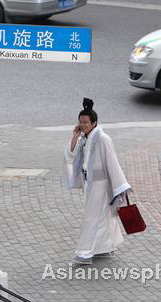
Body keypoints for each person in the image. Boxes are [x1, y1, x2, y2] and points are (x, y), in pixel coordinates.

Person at [61, 98, 132, 265]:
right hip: (90, 183)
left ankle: (85, 252)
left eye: (86, 122)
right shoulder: (84, 138)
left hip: (101, 184)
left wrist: (120, 186)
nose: (83, 125)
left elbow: (112, 162)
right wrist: (75, 136)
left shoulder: (103, 138)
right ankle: (103, 247)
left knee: (91, 217)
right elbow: (71, 155)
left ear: (94, 123)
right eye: (81, 122)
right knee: (102, 216)